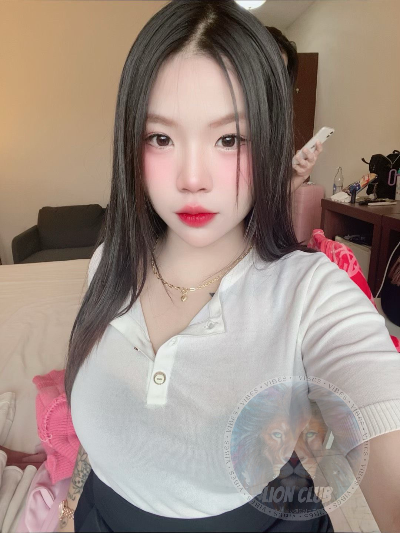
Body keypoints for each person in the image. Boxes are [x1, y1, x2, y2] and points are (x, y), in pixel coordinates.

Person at [59, 1, 400, 532]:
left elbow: (379, 405)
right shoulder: (107, 263)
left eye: (229, 139)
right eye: (161, 138)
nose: (192, 179)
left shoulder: (311, 294)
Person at [266, 26, 324, 193]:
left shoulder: (276, 125)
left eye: (281, 74)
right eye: (269, 69)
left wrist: (300, 175)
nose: (274, 82)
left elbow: (272, 198)